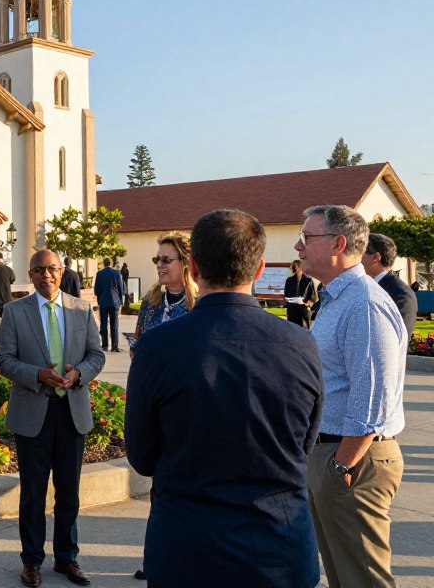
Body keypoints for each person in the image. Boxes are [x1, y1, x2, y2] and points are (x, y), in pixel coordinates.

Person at [126, 210, 324, 588]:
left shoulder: (159, 346)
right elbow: (304, 443)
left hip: (188, 550)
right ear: (259, 267)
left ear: (194, 267)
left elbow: (142, 454)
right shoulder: (302, 345)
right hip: (278, 548)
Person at [295, 205, 408, 588]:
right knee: (345, 576)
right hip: (334, 454)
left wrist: (341, 468)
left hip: (354, 458)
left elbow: (372, 397)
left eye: (307, 238)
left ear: (338, 243)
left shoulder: (364, 303)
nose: (298, 246)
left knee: (364, 579)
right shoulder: (338, 297)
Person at [0, 250, 105, 588]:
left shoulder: (81, 308)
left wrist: (79, 374)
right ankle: (31, 562)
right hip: (33, 413)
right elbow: (4, 360)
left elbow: (96, 354)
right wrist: (37, 374)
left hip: (72, 411)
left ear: (62, 271)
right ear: (30, 274)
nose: (47, 275)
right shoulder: (14, 312)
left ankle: (67, 558)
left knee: (69, 492)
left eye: (52, 269)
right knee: (32, 493)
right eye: (39, 270)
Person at [127, 232, 197, 581]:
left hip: (190, 408)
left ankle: (187, 557)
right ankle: (157, 557)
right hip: (158, 407)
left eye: (166, 259)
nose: (159, 265)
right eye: (156, 259)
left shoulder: (197, 305)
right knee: (160, 489)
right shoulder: (152, 301)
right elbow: (141, 337)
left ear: (186, 263)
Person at [363, 232, 417, 337]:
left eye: (359, 253)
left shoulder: (402, 294)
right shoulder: (359, 286)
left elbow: (399, 337)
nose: (353, 259)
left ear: (375, 257)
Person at [92, 257, 125, 352]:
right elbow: (120, 289)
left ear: (104, 263)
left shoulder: (99, 274)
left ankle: (104, 345)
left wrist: (99, 299)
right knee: (114, 325)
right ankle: (114, 346)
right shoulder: (117, 273)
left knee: (103, 324)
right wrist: (120, 302)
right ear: (111, 263)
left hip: (103, 301)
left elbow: (96, 290)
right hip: (114, 302)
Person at [283, 259, 317, 328]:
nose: (295, 268)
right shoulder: (289, 280)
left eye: (297, 266)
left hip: (303, 310)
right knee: (292, 332)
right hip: (292, 310)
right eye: (294, 266)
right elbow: (286, 295)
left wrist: (305, 302)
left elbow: (313, 297)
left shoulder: (308, 281)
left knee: (304, 333)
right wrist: (290, 300)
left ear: (302, 267)